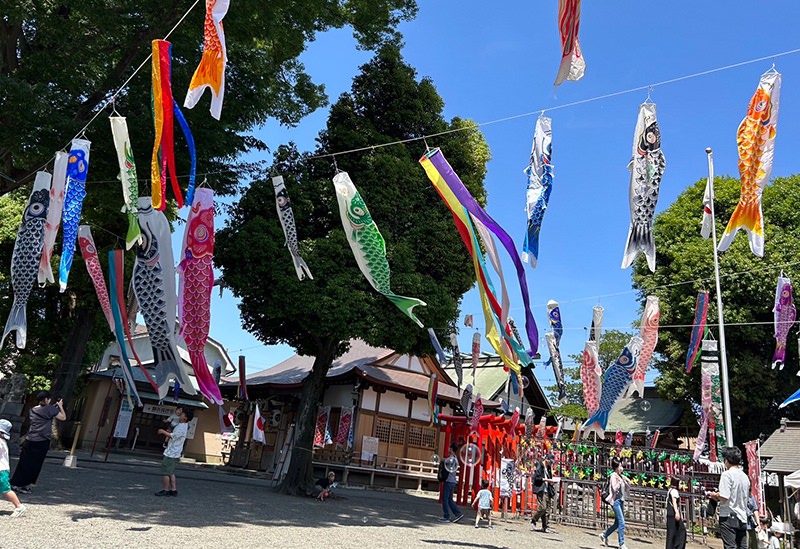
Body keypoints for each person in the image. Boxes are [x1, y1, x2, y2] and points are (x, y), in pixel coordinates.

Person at [10, 390, 66, 494]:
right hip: (42, 440)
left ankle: (16, 482)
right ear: (46, 399)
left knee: (24, 462)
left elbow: (44, 413)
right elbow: (63, 417)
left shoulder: (32, 410)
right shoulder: (50, 409)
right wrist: (60, 406)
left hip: (30, 439)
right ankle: (26, 484)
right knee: (35, 464)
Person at [710, 446, 751, 549]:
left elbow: (724, 497)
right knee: (742, 546)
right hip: (742, 516)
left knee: (730, 547)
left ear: (726, 460)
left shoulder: (726, 475)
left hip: (728, 515)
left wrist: (715, 495)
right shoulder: (744, 476)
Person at [155, 408, 192, 496]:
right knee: (170, 472)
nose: (180, 415)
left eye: (182, 414)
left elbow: (174, 436)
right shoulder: (182, 425)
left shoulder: (182, 426)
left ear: (185, 418)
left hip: (172, 452)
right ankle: (173, 489)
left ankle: (165, 489)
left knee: (166, 471)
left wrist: (162, 431)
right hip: (174, 451)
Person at [600, 458, 631, 549]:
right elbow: (613, 488)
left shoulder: (620, 476)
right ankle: (621, 543)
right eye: (620, 466)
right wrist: (620, 482)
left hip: (621, 500)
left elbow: (626, 489)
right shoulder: (613, 476)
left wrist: (627, 481)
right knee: (622, 522)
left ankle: (604, 535)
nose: (622, 467)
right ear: (616, 467)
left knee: (617, 523)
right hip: (615, 501)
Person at [0, 420, 26, 517]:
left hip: (1, 470)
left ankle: (19, 506)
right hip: (3, 469)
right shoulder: (3, 442)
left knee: (6, 489)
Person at [531, 453, 557, 533]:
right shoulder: (540, 465)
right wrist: (546, 480)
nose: (551, 463)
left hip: (547, 489)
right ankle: (533, 519)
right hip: (541, 489)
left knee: (548, 509)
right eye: (550, 461)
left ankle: (545, 526)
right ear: (546, 459)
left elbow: (550, 477)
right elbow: (537, 478)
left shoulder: (549, 468)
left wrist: (552, 482)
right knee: (543, 507)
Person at [439, 443, 464, 523]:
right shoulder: (455, 458)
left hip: (449, 481)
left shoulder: (451, 459)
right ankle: (458, 514)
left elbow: (444, 461)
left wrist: (440, 459)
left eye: (449, 447)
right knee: (449, 499)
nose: (448, 448)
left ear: (451, 449)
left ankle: (447, 516)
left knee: (445, 499)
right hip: (452, 481)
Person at [665, 477, 687, 549]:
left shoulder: (670, 490)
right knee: (681, 531)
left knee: (672, 533)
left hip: (670, 514)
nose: (681, 485)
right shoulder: (674, 491)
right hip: (673, 514)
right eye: (680, 483)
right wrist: (677, 513)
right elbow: (674, 503)